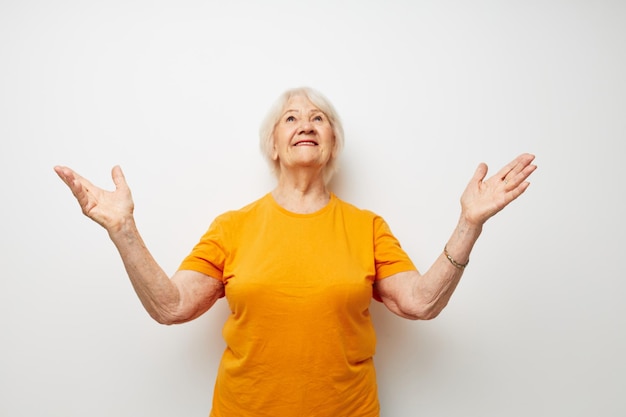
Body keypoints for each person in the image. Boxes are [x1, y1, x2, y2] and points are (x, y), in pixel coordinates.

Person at [54, 87, 537, 417]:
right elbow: (171, 305)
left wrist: (469, 223)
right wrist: (124, 230)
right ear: (275, 146)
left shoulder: (366, 227)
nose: (305, 124)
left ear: (331, 145)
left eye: (318, 118)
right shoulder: (233, 226)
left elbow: (421, 301)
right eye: (291, 117)